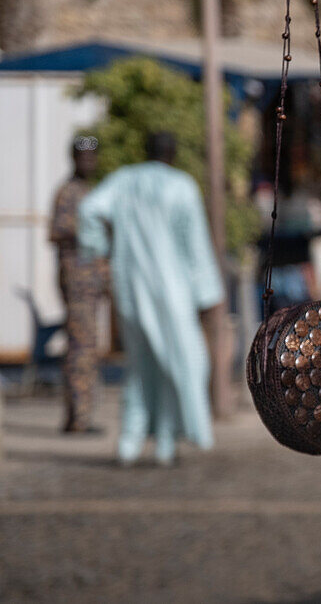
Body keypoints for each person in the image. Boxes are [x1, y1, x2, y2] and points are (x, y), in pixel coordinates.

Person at [78, 132, 224, 465]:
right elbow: (196, 243)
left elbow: (88, 209)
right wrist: (208, 293)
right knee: (179, 361)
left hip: (130, 288)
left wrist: (98, 248)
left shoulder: (124, 180)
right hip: (173, 289)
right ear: (172, 154)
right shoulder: (181, 185)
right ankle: (165, 444)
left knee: (141, 366)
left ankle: (130, 443)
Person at [49, 136, 109, 433]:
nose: (89, 162)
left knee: (87, 346)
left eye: (92, 156)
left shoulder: (92, 191)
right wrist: (86, 230)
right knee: (81, 348)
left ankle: (80, 416)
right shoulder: (68, 192)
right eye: (84, 157)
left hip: (92, 282)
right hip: (77, 281)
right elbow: (57, 231)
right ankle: (79, 418)